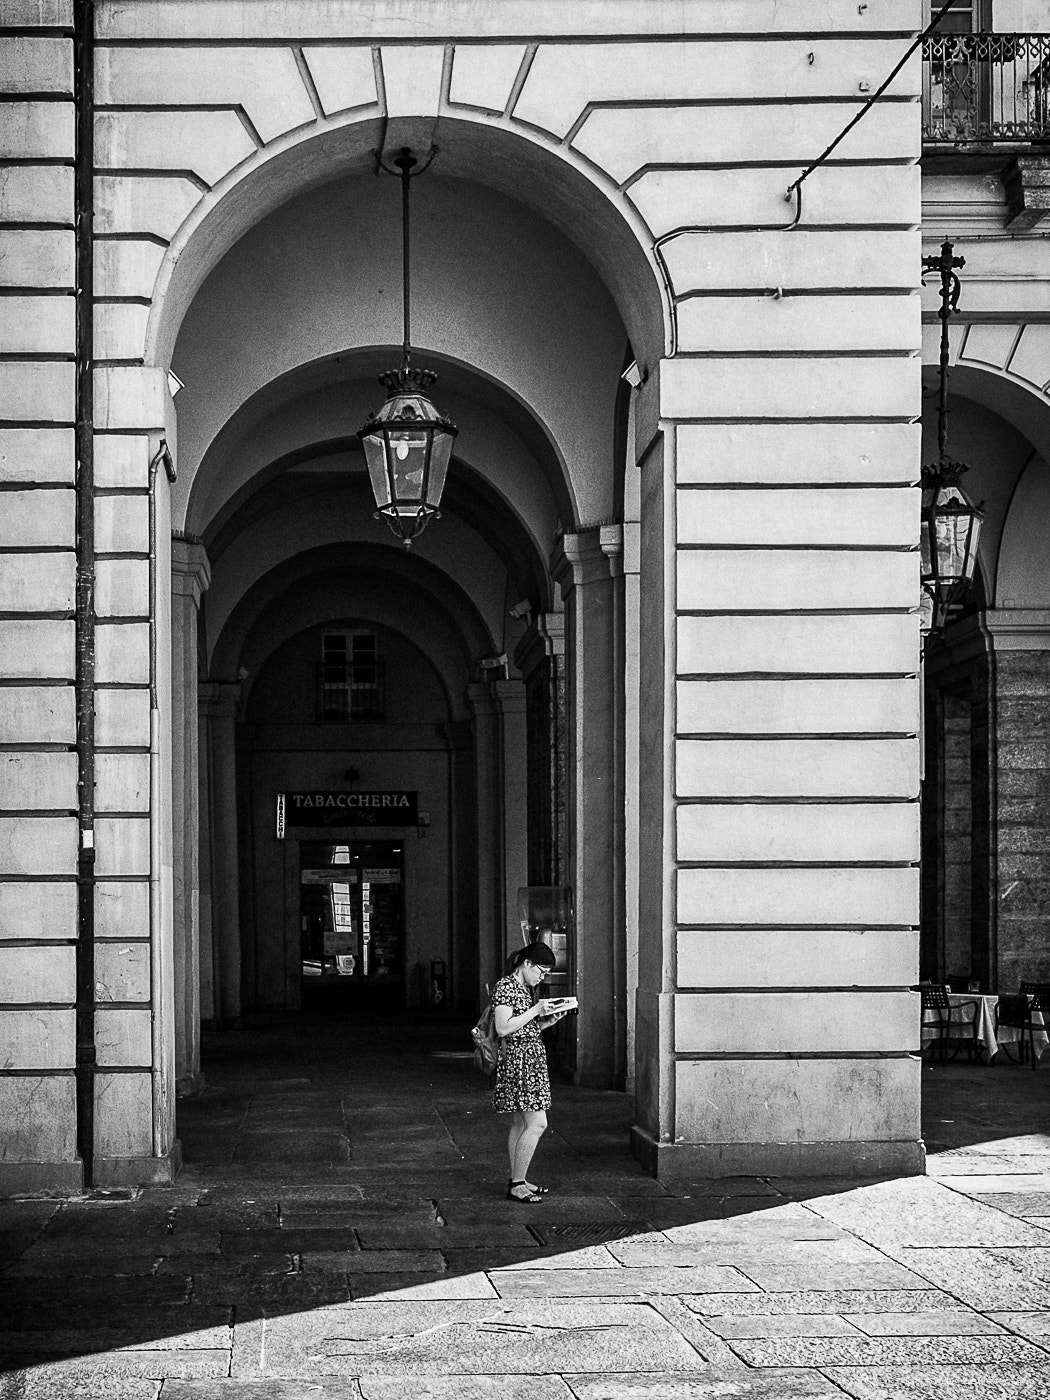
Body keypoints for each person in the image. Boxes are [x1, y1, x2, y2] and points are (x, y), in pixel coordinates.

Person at [491, 940, 570, 1203]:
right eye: (540, 971)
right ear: (526, 964)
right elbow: (503, 1027)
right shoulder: (506, 987)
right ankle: (516, 1184)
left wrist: (546, 1022)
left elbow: (522, 1028)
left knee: (521, 1123)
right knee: (538, 1123)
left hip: (529, 1060)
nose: (542, 977)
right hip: (520, 1064)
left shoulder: (523, 987)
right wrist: (535, 1010)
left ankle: (519, 1179)